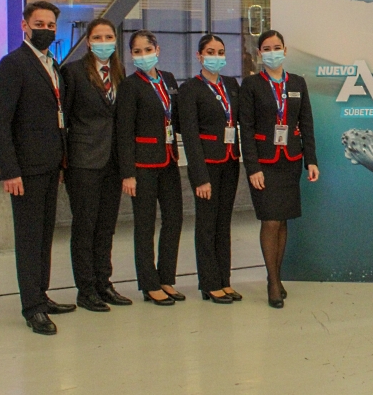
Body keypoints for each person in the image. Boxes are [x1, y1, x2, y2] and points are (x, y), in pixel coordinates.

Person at [0, 1, 77, 335]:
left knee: (43, 236)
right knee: (28, 238)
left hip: (51, 165)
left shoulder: (51, 64)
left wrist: (62, 161)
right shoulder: (13, 64)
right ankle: (32, 308)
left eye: (51, 25)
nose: (46, 30)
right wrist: (9, 170)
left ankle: (42, 294)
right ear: (24, 25)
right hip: (25, 170)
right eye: (39, 24)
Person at [239, 30, 319, 309]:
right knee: (270, 220)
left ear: (285, 50)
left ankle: (276, 275)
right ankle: (273, 282)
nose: (272, 52)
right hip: (264, 163)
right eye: (267, 48)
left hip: (290, 161)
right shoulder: (251, 85)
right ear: (259, 53)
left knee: (283, 221)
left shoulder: (297, 82)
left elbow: (306, 122)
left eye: (277, 47)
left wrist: (311, 160)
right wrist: (253, 167)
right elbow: (246, 130)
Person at [60, 18, 133, 312]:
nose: (104, 42)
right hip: (84, 161)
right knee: (85, 226)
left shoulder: (119, 71)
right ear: (88, 42)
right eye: (98, 37)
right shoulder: (73, 72)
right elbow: (64, 118)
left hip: (112, 162)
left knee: (106, 227)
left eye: (109, 37)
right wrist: (64, 162)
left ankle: (104, 283)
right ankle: (86, 288)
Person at [115, 30, 185, 307]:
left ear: (157, 50)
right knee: (145, 225)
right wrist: (128, 173)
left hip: (169, 160)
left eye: (147, 49)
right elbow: (124, 132)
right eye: (137, 51)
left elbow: (176, 117)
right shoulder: (130, 86)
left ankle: (166, 277)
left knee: (174, 219)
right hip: (142, 164)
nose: (143, 55)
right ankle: (149, 283)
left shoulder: (168, 79)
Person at [178, 35, 242, 305]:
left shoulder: (231, 84)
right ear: (199, 56)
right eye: (210, 52)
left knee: (223, 224)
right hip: (207, 165)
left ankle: (224, 280)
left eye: (220, 52)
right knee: (206, 224)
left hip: (230, 161)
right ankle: (209, 283)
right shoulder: (190, 89)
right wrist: (200, 177)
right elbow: (190, 136)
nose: (216, 56)